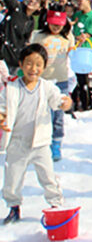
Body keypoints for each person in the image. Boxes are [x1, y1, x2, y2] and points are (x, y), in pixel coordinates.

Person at [0, 44, 73, 224]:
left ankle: (55, 205)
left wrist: (66, 102)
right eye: (29, 64)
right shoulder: (11, 88)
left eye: (38, 64)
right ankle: (13, 206)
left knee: (48, 176)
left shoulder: (46, 87)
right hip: (17, 141)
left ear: (44, 66)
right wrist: (2, 117)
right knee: (13, 177)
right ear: (21, 64)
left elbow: (58, 100)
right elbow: (2, 108)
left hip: (40, 142)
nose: (33, 69)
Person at [30, 4, 75, 161]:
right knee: (41, 113)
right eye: (53, 22)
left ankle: (56, 144)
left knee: (58, 114)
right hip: (43, 80)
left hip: (61, 80)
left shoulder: (67, 36)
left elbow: (73, 52)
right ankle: (41, 143)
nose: (56, 26)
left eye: (59, 23)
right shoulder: (39, 37)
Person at [0, 0, 45, 73]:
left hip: (14, 59)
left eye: (37, 0)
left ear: (39, 8)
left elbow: (25, 41)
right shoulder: (17, 7)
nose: (32, 0)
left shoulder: (31, 21)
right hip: (2, 54)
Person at [71, 0, 92, 111]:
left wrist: (82, 36)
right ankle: (74, 104)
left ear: (88, 1)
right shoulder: (77, 15)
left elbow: (89, 33)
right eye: (77, 0)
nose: (78, 3)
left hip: (85, 53)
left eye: (81, 0)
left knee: (83, 81)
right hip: (74, 51)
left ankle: (86, 105)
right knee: (73, 80)